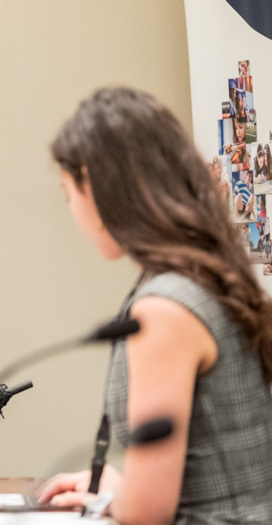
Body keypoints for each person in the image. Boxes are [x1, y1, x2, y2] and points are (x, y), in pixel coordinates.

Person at [37, 87, 272, 523]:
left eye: (68, 192)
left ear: (95, 184)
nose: (71, 208)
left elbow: (147, 514)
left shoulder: (163, 309)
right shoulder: (211, 276)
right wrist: (118, 488)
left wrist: (116, 496)